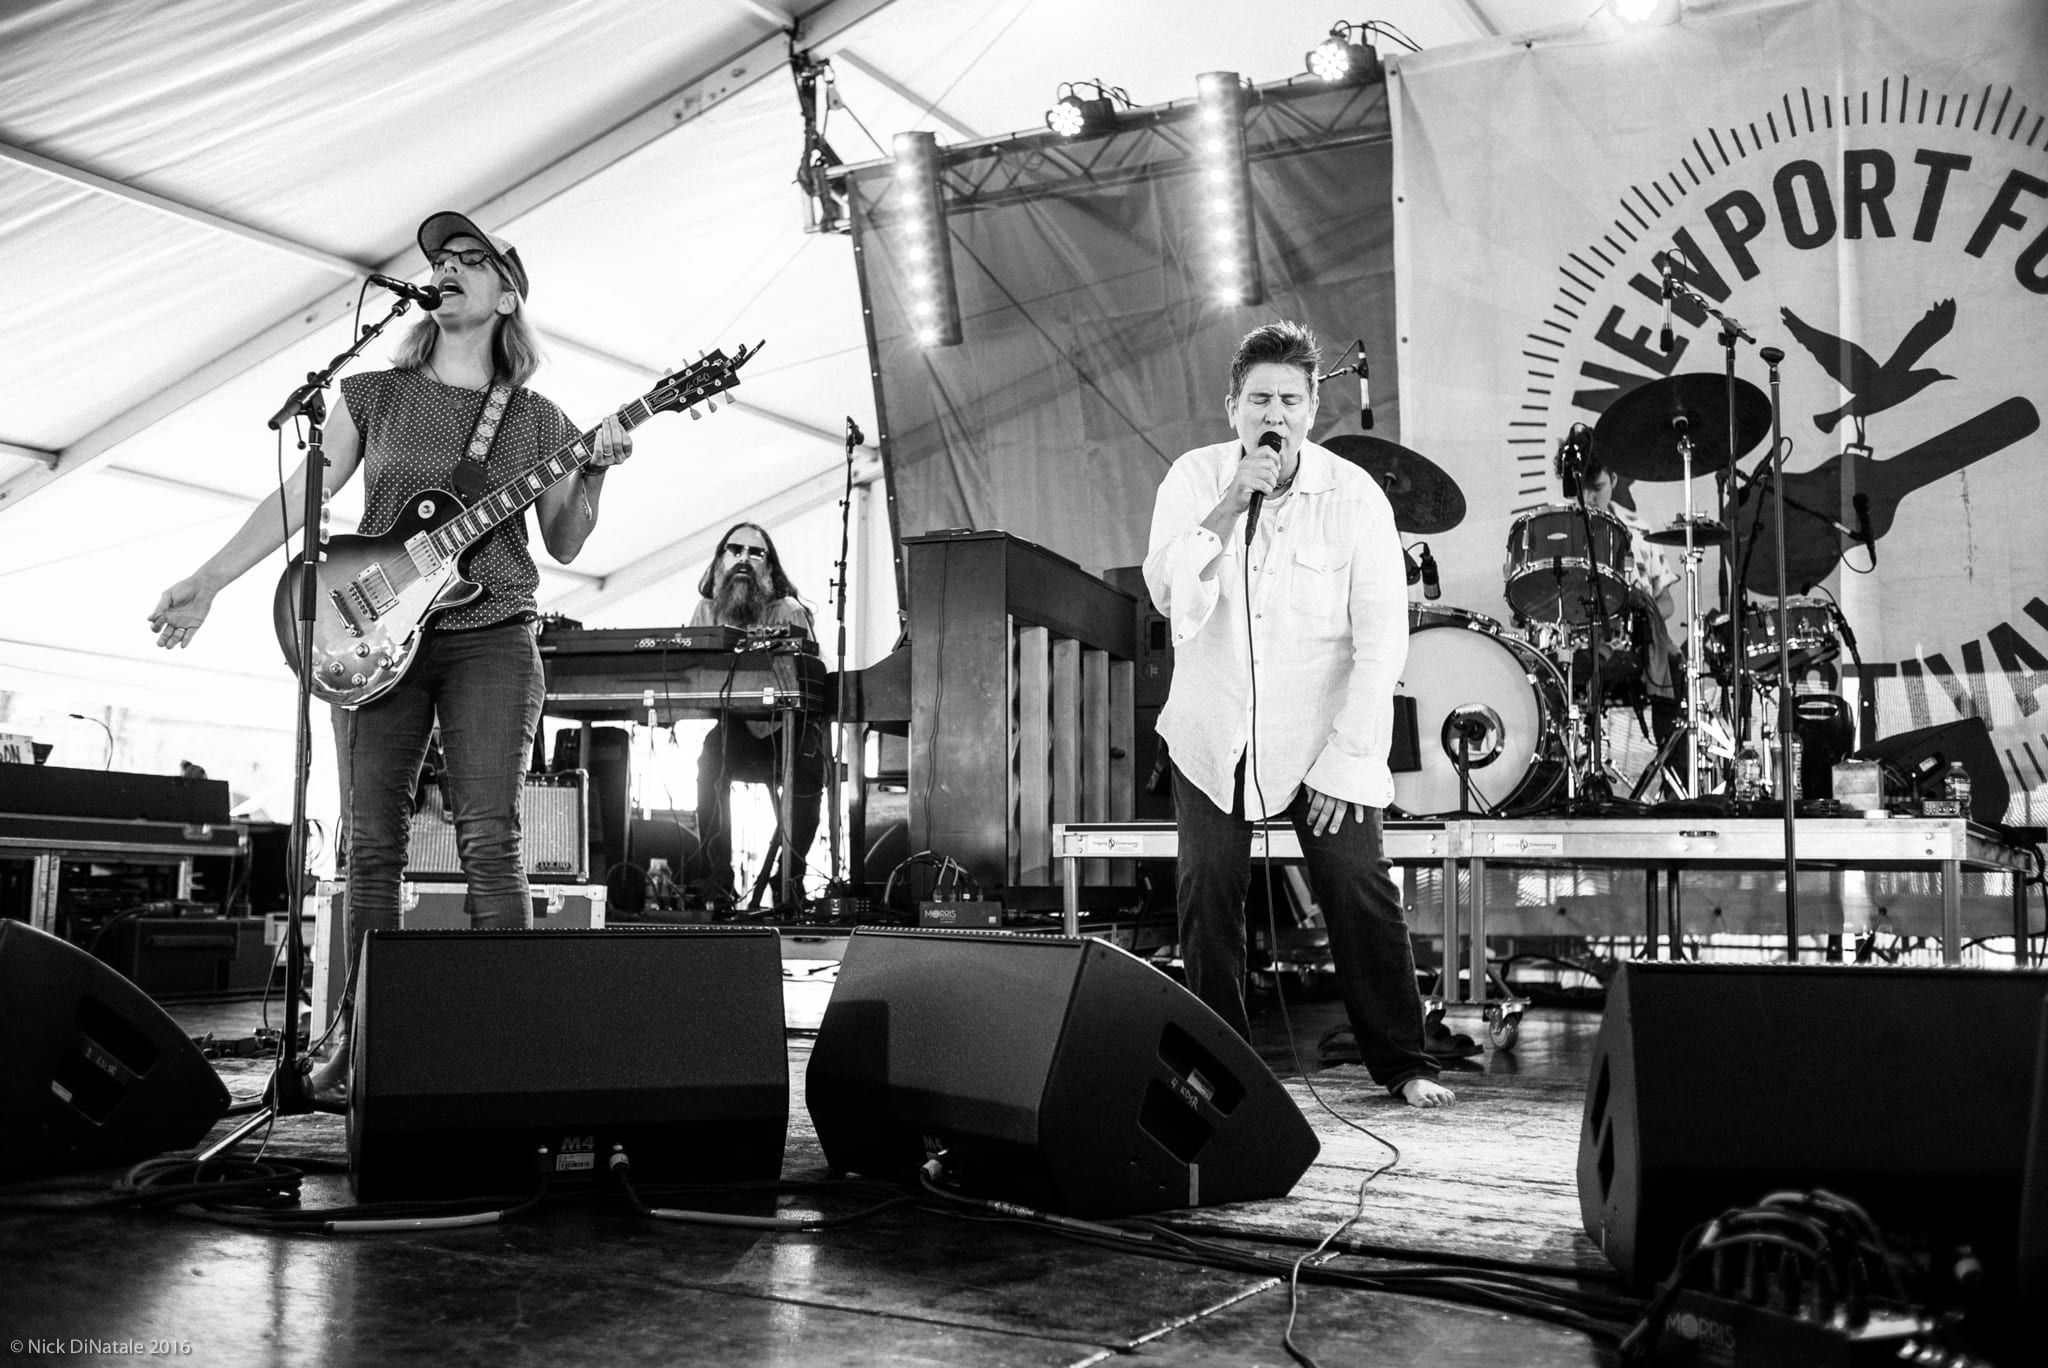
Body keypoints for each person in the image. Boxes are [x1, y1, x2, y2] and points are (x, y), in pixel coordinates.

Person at [147, 210, 634, 1103]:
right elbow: (300, 495)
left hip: (493, 634)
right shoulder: (372, 392)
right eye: (440, 259)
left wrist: (593, 470)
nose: (447, 267)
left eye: (470, 260)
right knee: (370, 844)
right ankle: (357, 1046)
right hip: (371, 635)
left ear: (506, 296)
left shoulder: (539, 420)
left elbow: (565, 540)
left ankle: (508, 1051)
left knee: (491, 837)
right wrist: (209, 580)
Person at [1144, 322, 1454, 1109]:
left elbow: (1381, 641)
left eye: (1289, 399)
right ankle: (1216, 1072)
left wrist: (1348, 757)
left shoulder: (1355, 496)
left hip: (1323, 731)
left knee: (1357, 884)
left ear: (1313, 409)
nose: (1273, 413)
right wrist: (1231, 501)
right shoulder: (1194, 478)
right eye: (1258, 399)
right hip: (1214, 728)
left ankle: (1405, 1060)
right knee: (1207, 892)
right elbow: (1170, 593)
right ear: (1233, 408)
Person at [690, 521, 828, 909]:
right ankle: (718, 884)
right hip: (735, 729)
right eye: (735, 550)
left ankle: (790, 882)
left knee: (809, 767)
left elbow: (810, 685)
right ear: (720, 560)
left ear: (769, 566)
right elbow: (691, 675)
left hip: (787, 729)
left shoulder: (790, 611)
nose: (744, 559)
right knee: (709, 761)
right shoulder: (706, 611)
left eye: (755, 553)